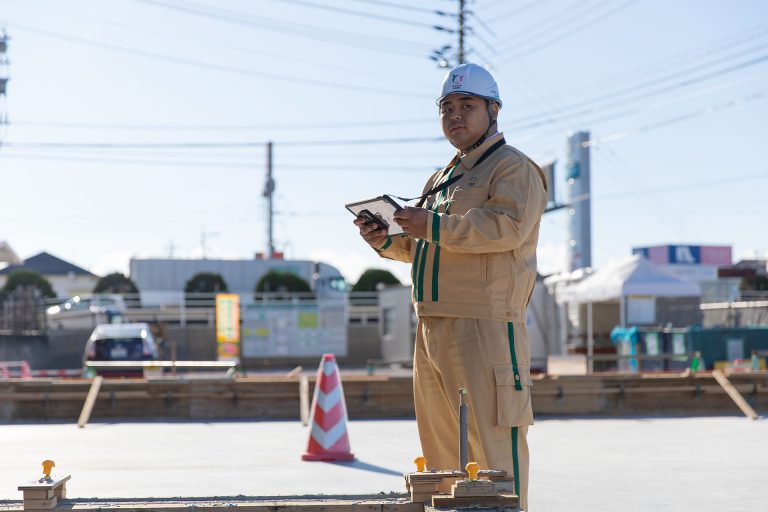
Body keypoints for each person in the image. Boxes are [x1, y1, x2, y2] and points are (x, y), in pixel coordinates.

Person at [354, 63, 547, 511]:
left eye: (467, 105)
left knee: (494, 447)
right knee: (443, 453)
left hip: (486, 324)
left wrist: (432, 225)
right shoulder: (442, 179)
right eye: (447, 107)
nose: (455, 115)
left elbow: (505, 228)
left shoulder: (513, 168)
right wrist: (388, 241)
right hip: (432, 326)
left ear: (494, 110)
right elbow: (429, 243)